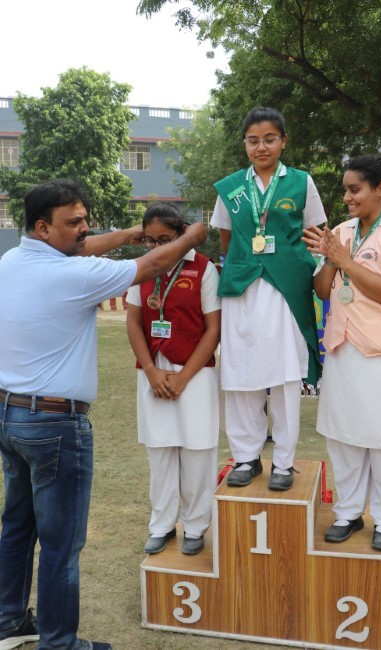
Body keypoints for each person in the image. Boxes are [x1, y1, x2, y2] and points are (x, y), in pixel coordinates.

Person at [0, 179, 206, 650]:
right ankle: (59, 643)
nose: (85, 229)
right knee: (61, 544)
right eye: (74, 222)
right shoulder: (75, 275)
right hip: (55, 425)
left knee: (17, 529)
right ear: (42, 228)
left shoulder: (11, 261)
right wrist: (194, 234)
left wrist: (133, 231)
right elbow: (154, 264)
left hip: (10, 417)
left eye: (85, 219)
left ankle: (9, 623)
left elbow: (85, 246)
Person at [302, 154, 381, 551]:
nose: (347, 197)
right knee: (345, 436)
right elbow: (322, 290)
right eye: (345, 189)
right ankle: (348, 513)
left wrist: (345, 260)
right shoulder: (343, 231)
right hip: (345, 348)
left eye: (354, 189)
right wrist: (331, 258)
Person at [210, 106, 326, 491]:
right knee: (240, 373)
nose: (261, 147)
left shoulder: (301, 182)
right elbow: (226, 239)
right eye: (253, 140)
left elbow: (315, 234)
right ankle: (246, 457)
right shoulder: (231, 188)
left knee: (285, 375)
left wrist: (297, 265)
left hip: (285, 289)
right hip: (243, 288)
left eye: (270, 139)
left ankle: (284, 462)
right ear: (245, 144)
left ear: (283, 141)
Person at [126, 203, 221, 556]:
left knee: (197, 452)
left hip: (194, 374)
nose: (155, 247)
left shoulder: (203, 268)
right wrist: (151, 371)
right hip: (153, 372)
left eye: (164, 239)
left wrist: (183, 378)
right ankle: (162, 525)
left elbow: (213, 329)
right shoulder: (142, 269)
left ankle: (195, 526)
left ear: (181, 234)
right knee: (160, 452)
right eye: (149, 241)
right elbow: (133, 322)